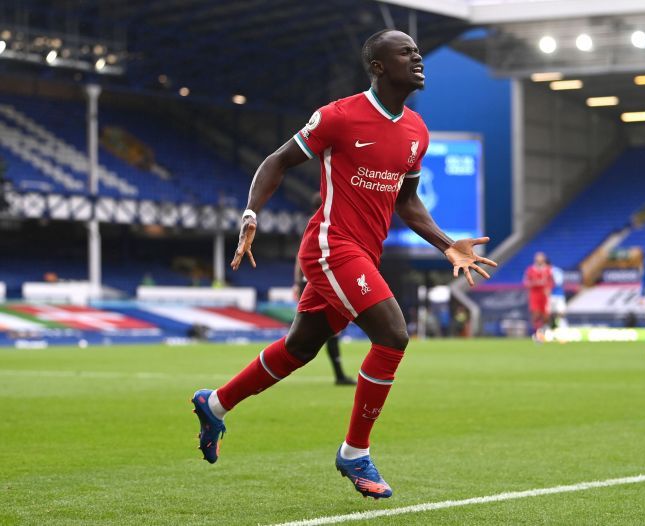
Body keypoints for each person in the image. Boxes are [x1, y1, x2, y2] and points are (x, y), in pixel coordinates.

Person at [190, 29, 497, 500]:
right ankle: (355, 452)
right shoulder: (339, 116)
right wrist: (251, 212)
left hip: (363, 252)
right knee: (393, 334)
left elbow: (408, 202)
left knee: (300, 347)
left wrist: (446, 244)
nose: (417, 57)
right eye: (405, 52)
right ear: (377, 66)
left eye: (418, 51)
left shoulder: (417, 131)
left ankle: (215, 403)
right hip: (331, 246)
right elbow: (276, 161)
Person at [293, 193, 356, 386]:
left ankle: (338, 374)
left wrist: (296, 282)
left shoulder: (310, 225)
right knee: (323, 330)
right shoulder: (326, 224)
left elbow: (299, 256)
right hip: (321, 279)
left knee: (317, 329)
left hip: (308, 280)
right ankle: (339, 375)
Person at [523, 252, 552, 342]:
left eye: (541, 258)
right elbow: (525, 281)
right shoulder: (530, 270)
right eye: (538, 258)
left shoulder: (548, 269)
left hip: (544, 295)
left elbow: (551, 281)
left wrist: (549, 289)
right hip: (534, 294)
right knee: (536, 314)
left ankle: (544, 333)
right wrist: (533, 283)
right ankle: (536, 335)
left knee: (545, 316)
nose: (539, 260)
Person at [547, 259, 568, 329]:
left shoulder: (555, 271)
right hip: (550, 295)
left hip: (557, 294)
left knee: (560, 312)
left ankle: (563, 327)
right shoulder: (550, 271)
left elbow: (558, 282)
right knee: (550, 313)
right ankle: (553, 328)